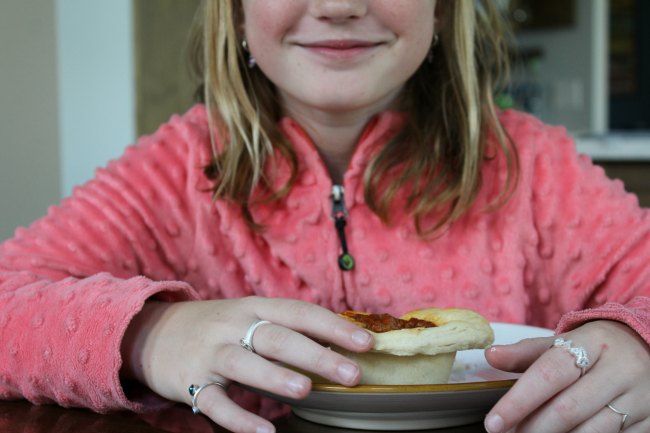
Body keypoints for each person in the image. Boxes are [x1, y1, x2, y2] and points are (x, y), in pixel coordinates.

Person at [1, 1, 649, 432]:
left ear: (445, 9)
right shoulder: (172, 171)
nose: (339, 4)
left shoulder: (531, 167)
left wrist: (637, 344)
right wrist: (150, 333)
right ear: (237, 9)